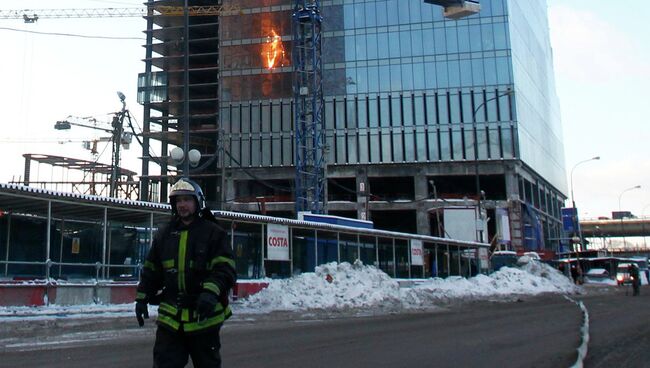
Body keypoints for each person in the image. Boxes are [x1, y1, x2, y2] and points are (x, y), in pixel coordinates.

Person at [135, 178, 236, 368]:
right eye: (178, 200)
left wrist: (210, 293)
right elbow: (151, 270)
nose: (182, 204)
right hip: (171, 319)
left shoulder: (213, 232)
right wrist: (141, 298)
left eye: (187, 200)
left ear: (198, 202)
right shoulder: (164, 235)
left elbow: (225, 268)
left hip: (204, 317)